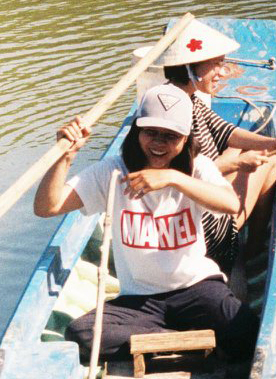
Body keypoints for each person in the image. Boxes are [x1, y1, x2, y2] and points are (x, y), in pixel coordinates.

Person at [33, 82, 259, 362]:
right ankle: (179, 339)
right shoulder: (113, 171)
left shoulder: (197, 167)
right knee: (83, 334)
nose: (158, 144)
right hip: (139, 300)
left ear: (186, 138)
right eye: (150, 132)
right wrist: (64, 158)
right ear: (137, 130)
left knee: (248, 329)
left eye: (170, 136)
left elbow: (230, 204)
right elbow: (47, 207)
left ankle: (165, 338)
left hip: (196, 288)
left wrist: (174, 179)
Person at [138, 19, 276, 270]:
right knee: (269, 163)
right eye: (216, 65)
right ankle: (246, 252)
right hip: (203, 234)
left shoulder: (179, 98)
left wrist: (275, 142)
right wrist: (240, 162)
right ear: (192, 69)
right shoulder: (178, 114)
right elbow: (181, 176)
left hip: (187, 212)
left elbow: (227, 132)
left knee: (252, 149)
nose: (223, 72)